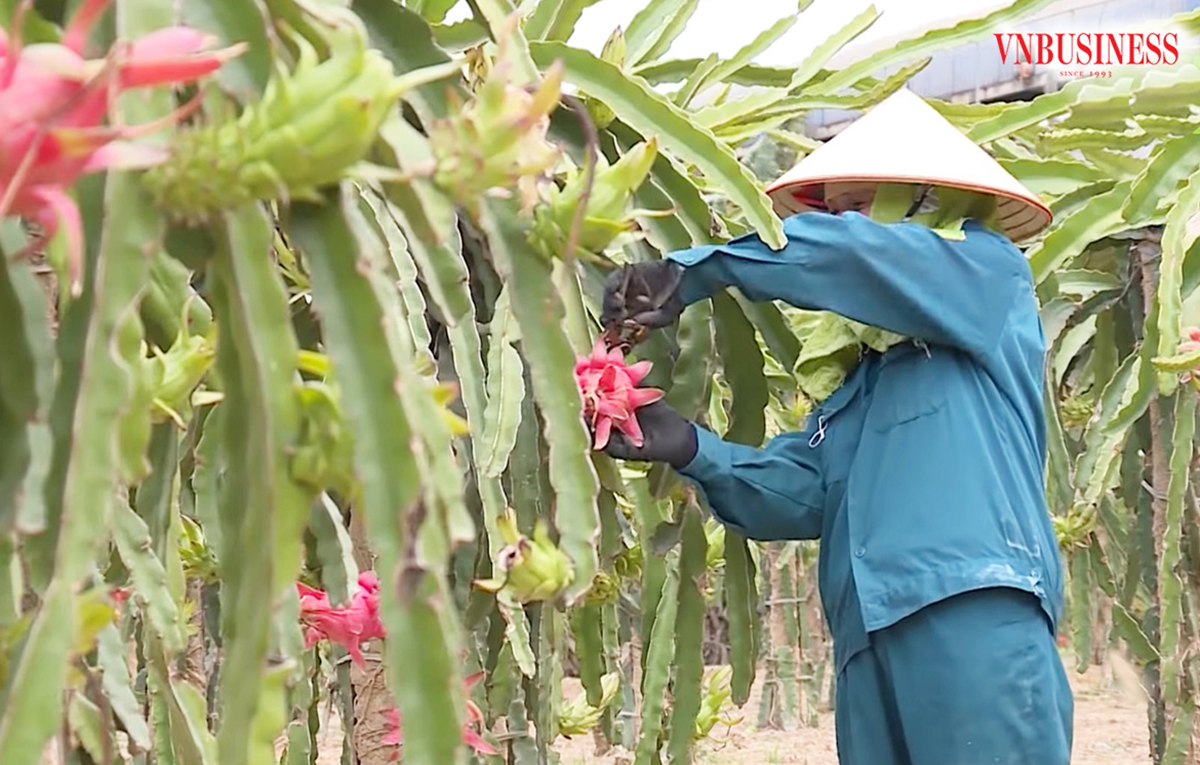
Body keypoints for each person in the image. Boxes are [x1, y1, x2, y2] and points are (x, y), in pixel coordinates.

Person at [597, 88, 1073, 765]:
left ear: (924, 203)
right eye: (837, 209)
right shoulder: (859, 381)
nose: (847, 224)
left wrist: (700, 270)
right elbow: (807, 491)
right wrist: (692, 447)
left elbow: (858, 259)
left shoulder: (989, 276)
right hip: (866, 636)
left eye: (859, 206)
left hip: (973, 612)